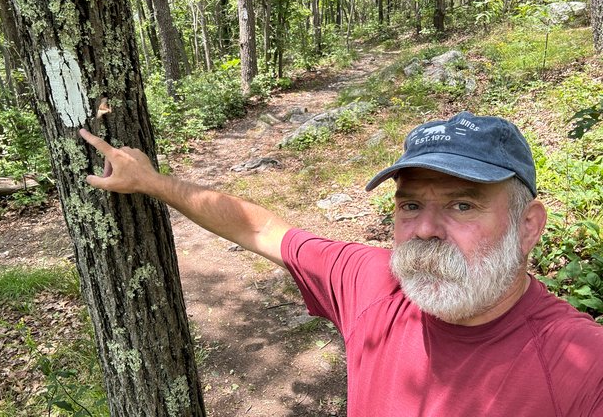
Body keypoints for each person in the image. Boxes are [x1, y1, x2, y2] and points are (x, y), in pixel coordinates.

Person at [80, 111, 603, 416]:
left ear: (528, 225)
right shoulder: (373, 283)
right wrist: (150, 181)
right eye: (410, 205)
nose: (424, 229)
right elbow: (259, 227)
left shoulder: (579, 365)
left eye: (463, 205)